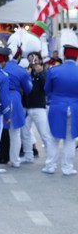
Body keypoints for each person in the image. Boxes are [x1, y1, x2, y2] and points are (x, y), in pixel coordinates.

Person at [44, 44, 78, 175]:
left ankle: (50, 166)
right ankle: (67, 168)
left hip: (57, 106)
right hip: (75, 108)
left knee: (53, 137)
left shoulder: (54, 70)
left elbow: (47, 89)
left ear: (64, 56)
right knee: (70, 139)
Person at [21, 53, 57, 172]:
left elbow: (46, 88)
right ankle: (28, 155)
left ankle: (51, 160)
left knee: (45, 134)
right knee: (25, 133)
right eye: (31, 59)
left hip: (39, 107)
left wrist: (40, 72)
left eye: (35, 59)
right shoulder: (27, 73)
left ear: (41, 61)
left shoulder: (45, 73)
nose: (33, 62)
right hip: (26, 107)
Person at [4, 49, 32, 168]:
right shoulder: (21, 71)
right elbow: (28, 89)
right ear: (19, 56)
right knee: (15, 133)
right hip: (15, 99)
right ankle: (14, 160)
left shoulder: (2, 67)